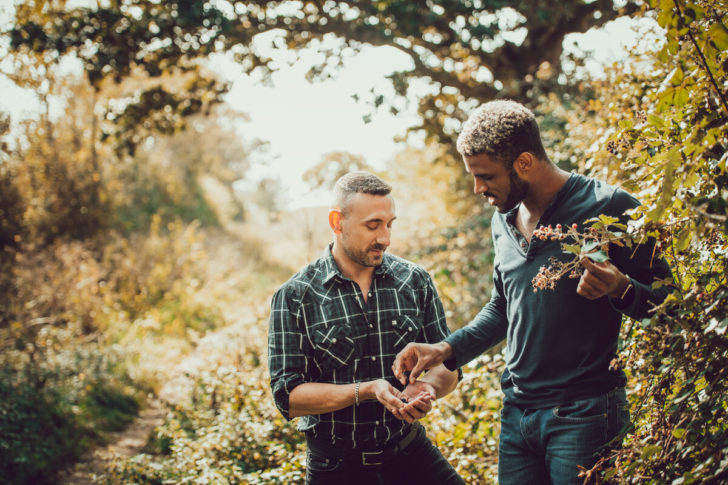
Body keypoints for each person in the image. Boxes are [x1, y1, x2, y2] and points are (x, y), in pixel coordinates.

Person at [392, 100, 674, 485]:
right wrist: (443, 350)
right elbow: (502, 309)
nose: (478, 189)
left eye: (486, 176)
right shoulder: (502, 220)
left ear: (524, 163)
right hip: (517, 416)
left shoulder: (608, 206)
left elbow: (672, 304)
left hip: (585, 415)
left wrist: (620, 288)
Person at [268, 171, 464, 485]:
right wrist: (367, 391)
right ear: (337, 222)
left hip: (410, 452)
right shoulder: (294, 296)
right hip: (336, 467)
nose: (385, 238)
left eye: (389, 224)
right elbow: (288, 396)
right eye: (372, 225)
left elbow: (449, 366)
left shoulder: (415, 281)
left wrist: (428, 388)